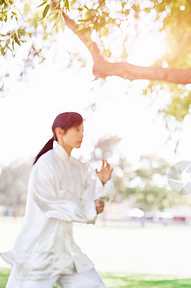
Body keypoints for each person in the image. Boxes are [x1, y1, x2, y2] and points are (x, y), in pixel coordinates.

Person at [1, 112, 114, 288]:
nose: (82, 135)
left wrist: (101, 183)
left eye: (83, 130)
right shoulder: (45, 164)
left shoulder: (79, 167)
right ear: (59, 132)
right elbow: (53, 205)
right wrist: (89, 208)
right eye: (77, 130)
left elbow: (90, 195)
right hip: (39, 254)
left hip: (67, 253)